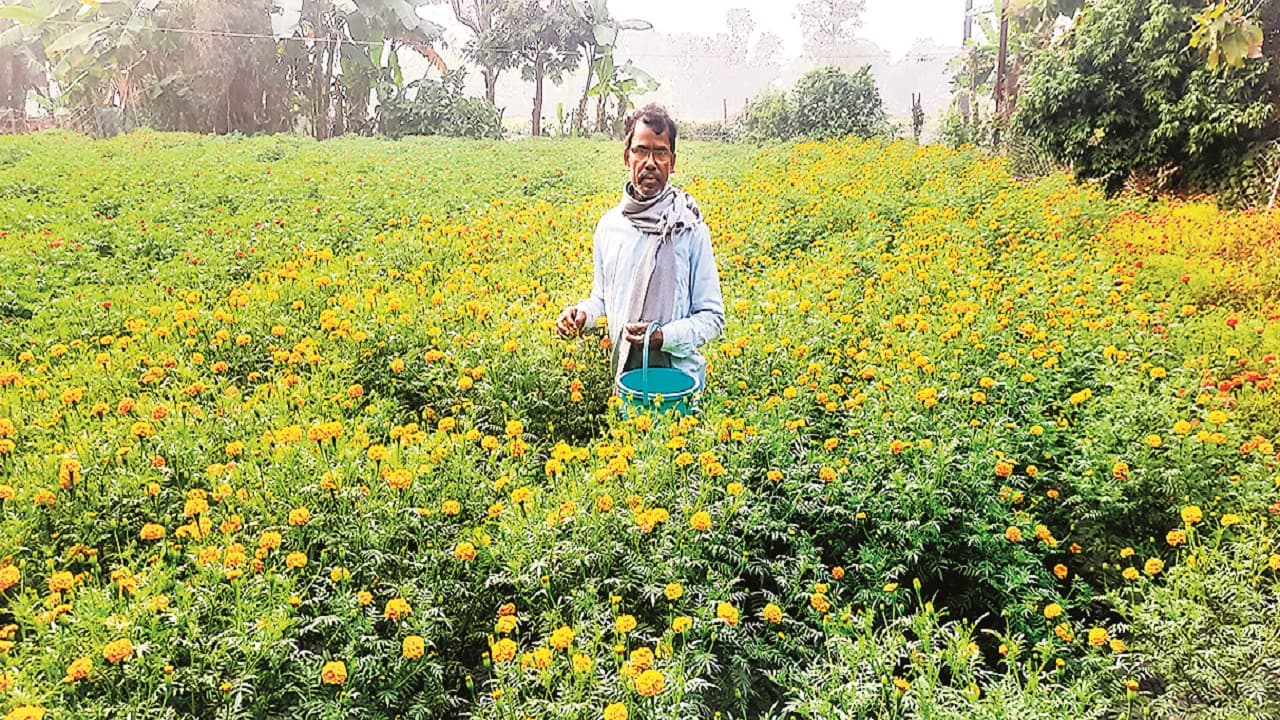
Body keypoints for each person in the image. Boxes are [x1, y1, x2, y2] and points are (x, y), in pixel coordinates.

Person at [556, 103, 725, 389]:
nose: (650, 162)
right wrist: (583, 314)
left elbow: (712, 318)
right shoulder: (610, 227)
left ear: (672, 161)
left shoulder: (689, 229)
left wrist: (664, 337)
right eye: (641, 150)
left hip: (681, 387)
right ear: (627, 157)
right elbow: (604, 298)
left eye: (660, 152)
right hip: (626, 385)